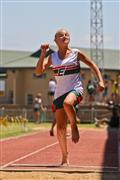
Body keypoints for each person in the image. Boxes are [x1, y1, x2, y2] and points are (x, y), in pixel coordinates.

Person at [35, 28, 104, 166]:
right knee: (60, 128)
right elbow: (38, 71)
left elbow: (93, 65)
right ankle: (65, 157)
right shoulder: (52, 57)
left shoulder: (76, 53)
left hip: (75, 89)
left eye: (67, 35)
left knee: (68, 103)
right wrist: (43, 53)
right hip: (59, 93)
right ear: (55, 40)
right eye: (61, 35)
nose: (65, 36)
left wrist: (100, 80)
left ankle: (73, 126)